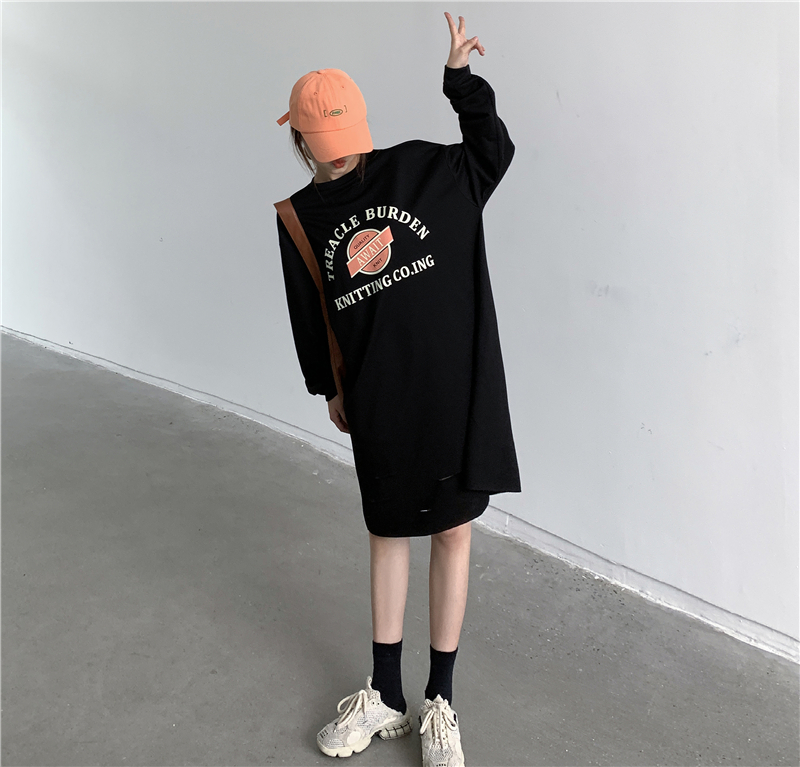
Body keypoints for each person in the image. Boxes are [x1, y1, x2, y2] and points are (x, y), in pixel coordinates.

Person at [275, 12, 521, 767]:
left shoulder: (427, 171)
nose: (338, 154)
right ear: (302, 142)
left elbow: (493, 150)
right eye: (326, 142)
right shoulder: (299, 217)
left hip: (456, 387)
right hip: (379, 393)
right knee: (387, 532)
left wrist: (461, 84)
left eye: (345, 138)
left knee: (452, 531)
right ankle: (385, 693)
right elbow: (311, 309)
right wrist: (327, 386)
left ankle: (440, 699)